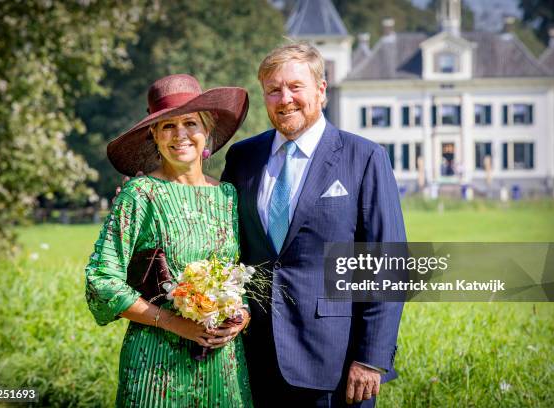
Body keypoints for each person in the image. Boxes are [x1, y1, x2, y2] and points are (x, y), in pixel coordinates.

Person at [221, 42, 406, 407]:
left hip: (336, 366)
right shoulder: (243, 157)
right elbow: (224, 239)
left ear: (321, 90)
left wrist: (371, 359)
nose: (284, 98)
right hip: (254, 360)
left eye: (295, 87)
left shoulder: (364, 157)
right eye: (273, 90)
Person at [85, 74, 253, 407]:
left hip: (224, 364)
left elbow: (242, 279)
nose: (180, 135)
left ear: (207, 129)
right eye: (167, 126)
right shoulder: (140, 195)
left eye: (190, 123)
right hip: (156, 364)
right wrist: (178, 324)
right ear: (154, 136)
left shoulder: (228, 196)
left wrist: (240, 319)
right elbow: (101, 281)